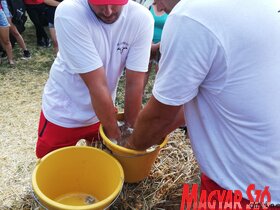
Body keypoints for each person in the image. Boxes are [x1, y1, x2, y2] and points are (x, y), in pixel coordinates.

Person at [126, 0, 280, 207]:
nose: (158, 7)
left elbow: (160, 117)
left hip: (246, 189)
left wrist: (130, 147)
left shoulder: (189, 15)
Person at [35, 0, 154, 158]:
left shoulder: (141, 18)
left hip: (103, 112)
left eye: (115, 3)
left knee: (100, 163)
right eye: (100, 4)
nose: (108, 11)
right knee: (52, 164)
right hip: (64, 111)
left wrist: (131, 131)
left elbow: (134, 84)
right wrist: (118, 140)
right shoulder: (70, 12)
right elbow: (96, 85)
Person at [144, 0, 167, 88]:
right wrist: (149, 43)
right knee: (144, 72)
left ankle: (156, 97)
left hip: (162, 46)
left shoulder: (169, 10)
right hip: (147, 45)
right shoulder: (149, 7)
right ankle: (140, 96)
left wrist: (158, 45)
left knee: (160, 75)